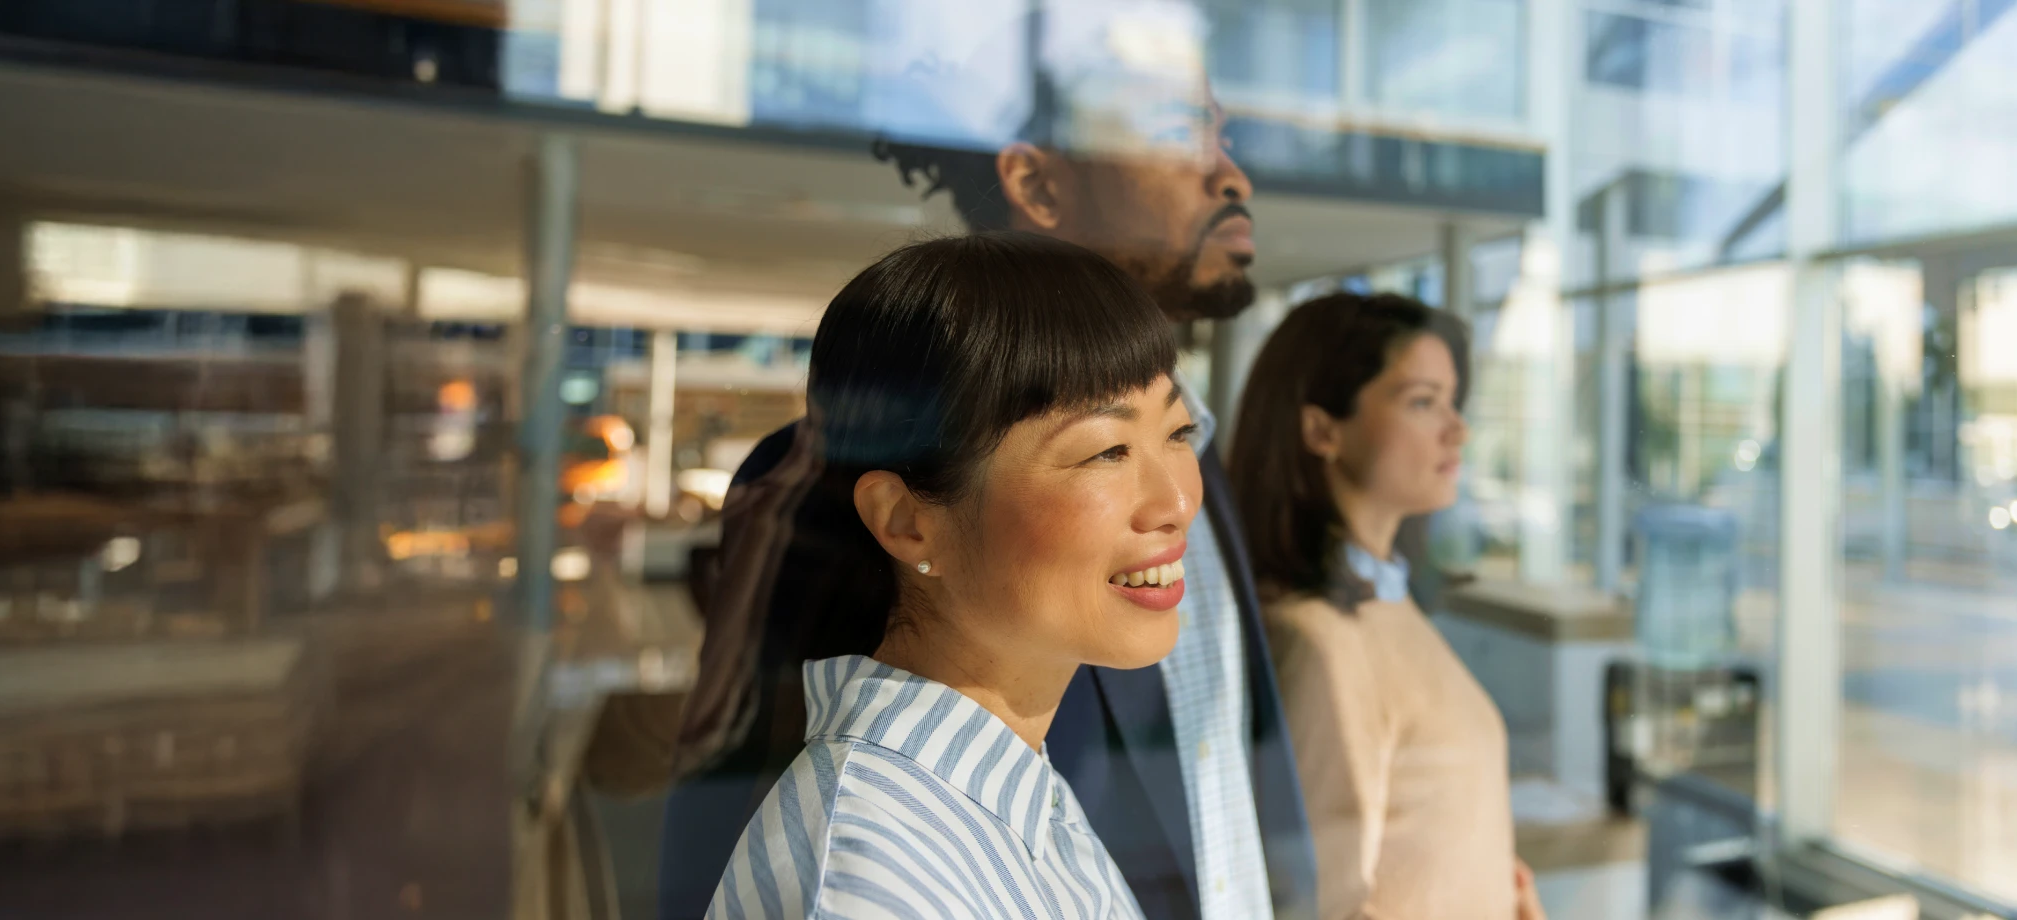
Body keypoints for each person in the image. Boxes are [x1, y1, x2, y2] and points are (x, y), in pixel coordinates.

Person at [647, 10, 1317, 920]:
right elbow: (732, 804)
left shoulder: (1195, 468)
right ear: (1035, 181)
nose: (1229, 172)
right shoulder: (828, 481)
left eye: (1170, 438)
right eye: (1177, 132)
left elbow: (1228, 772)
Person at [710, 232, 1196, 917]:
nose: (1175, 502)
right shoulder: (871, 873)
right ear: (906, 521)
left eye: (1179, 435)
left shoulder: (1008, 793)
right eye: (1106, 451)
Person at [1225, 292, 1544, 920]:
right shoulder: (1316, 637)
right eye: (1422, 402)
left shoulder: (1386, 605)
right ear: (1321, 429)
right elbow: (1319, 906)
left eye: (1453, 401)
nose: (1458, 429)